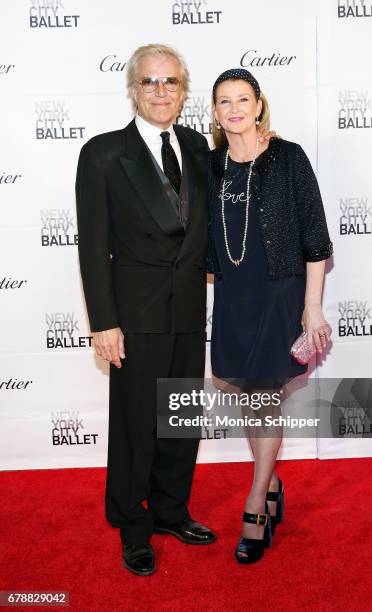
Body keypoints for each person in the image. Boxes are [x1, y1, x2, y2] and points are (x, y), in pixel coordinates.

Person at [75, 44, 217, 577]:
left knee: (180, 415)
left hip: (187, 306)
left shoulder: (199, 146)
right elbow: (92, 245)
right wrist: (103, 322)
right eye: (151, 83)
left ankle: (170, 511)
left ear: (183, 90)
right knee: (136, 424)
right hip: (133, 315)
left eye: (171, 82)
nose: (161, 92)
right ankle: (132, 526)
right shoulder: (103, 153)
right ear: (133, 89)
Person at [207, 68, 333, 564]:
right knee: (246, 393)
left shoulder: (288, 158)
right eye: (224, 102)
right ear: (215, 113)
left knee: (264, 398)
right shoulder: (210, 167)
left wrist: (313, 305)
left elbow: (316, 238)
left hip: (281, 297)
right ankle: (273, 480)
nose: (235, 109)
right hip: (233, 298)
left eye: (243, 99)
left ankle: (257, 502)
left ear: (259, 105)